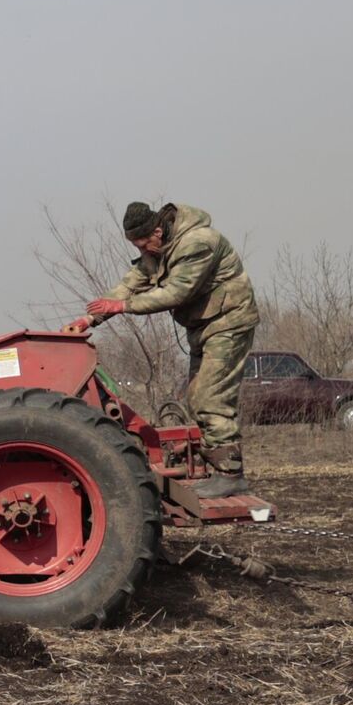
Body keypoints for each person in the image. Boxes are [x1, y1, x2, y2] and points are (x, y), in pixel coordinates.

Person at [68, 202, 260, 497]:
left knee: (210, 396)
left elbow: (176, 292)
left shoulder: (198, 243)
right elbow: (131, 284)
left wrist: (124, 307)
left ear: (157, 231)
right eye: (137, 245)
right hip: (204, 325)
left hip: (229, 322)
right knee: (196, 396)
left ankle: (231, 474)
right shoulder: (155, 249)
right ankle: (217, 464)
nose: (143, 250)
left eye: (144, 244)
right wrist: (90, 318)